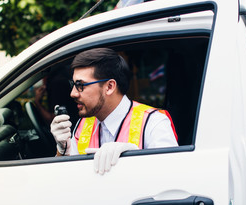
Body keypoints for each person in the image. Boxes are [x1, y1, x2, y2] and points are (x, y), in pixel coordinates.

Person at [50, 48, 178, 175]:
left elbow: (172, 176)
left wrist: (135, 156)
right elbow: (67, 178)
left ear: (110, 87)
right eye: (73, 84)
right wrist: (62, 151)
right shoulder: (83, 125)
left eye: (80, 85)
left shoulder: (153, 122)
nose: (73, 93)